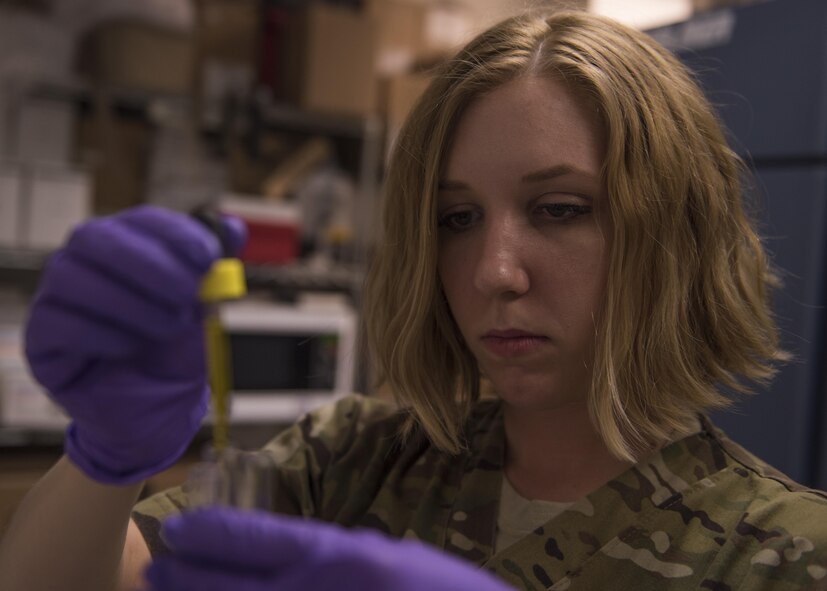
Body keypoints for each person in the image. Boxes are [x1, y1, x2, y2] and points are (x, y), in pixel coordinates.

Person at [2, 8, 827, 591]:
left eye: (560, 209)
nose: (492, 271)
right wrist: (104, 459)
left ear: (673, 233)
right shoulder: (353, 462)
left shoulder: (786, 555)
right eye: (455, 218)